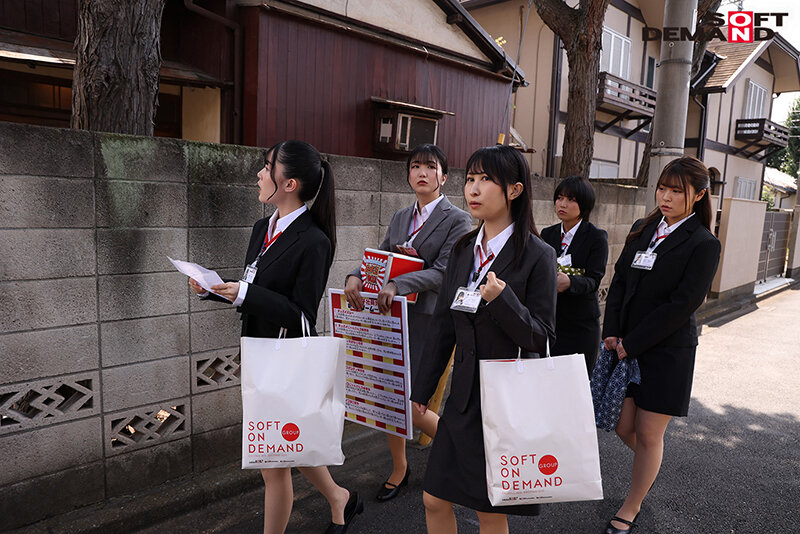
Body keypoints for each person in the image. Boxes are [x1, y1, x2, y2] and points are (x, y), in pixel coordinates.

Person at [189, 140, 362, 534]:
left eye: (267, 167)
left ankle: (336, 500)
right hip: (259, 356)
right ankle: (340, 498)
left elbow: (301, 314)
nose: (259, 174)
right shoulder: (261, 228)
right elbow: (254, 287)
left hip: (286, 363)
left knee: (273, 462)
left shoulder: (315, 241)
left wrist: (244, 293)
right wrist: (215, 289)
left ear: (290, 183)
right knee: (287, 445)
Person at [410, 145, 557, 533]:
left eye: (486, 180)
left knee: (490, 511)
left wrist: (503, 300)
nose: (473, 189)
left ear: (514, 190)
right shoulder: (463, 249)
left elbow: (541, 337)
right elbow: (443, 326)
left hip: (504, 403)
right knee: (434, 498)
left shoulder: (538, 255)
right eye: (470, 179)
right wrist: (422, 389)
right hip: (462, 399)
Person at [344, 143, 472, 503]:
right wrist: (355, 275)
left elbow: (445, 272)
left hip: (430, 321)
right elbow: (380, 256)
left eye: (429, 167)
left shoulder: (458, 219)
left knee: (413, 403)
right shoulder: (401, 216)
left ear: (443, 177)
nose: (421, 172)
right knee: (390, 397)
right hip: (394, 317)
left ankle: (465, 455)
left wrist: (399, 283)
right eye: (415, 166)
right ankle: (400, 467)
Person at [601, 156, 721, 534]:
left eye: (676, 191)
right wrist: (612, 330)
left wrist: (633, 343)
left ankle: (631, 505)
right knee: (624, 426)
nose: (665, 197)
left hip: (667, 352)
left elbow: (682, 305)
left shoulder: (704, 243)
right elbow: (620, 281)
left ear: (698, 195)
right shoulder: (644, 227)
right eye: (662, 188)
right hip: (626, 345)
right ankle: (650, 467)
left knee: (650, 434)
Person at [541, 176, 608, 372]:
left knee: (578, 381)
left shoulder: (596, 237)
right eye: (559, 198)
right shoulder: (547, 234)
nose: (563, 204)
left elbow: (594, 280)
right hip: (552, 322)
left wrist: (570, 282)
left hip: (581, 325)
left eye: (571, 199)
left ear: (584, 205)